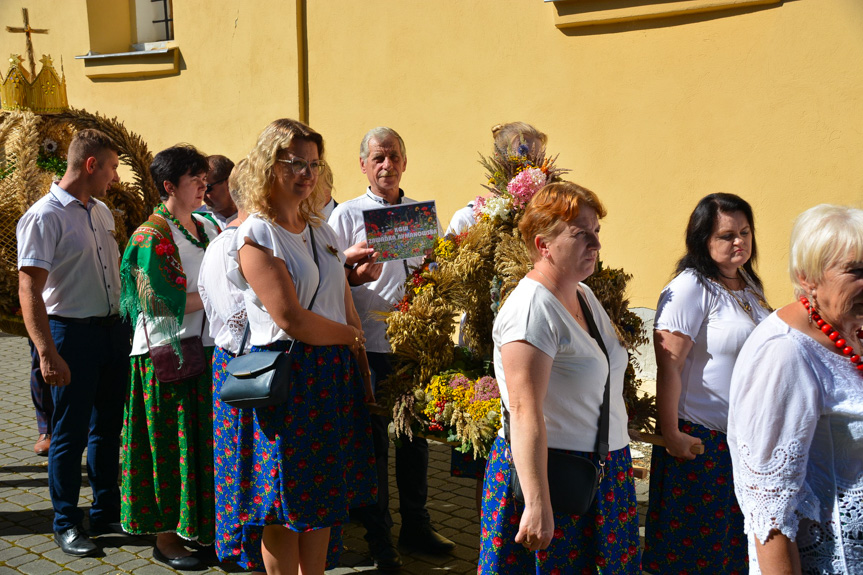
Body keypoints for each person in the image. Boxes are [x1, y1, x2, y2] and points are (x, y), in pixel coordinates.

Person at [226, 118, 376, 575]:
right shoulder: (256, 235)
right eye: (295, 163)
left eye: (313, 164)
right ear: (269, 166)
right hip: (290, 378)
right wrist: (349, 337)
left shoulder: (322, 229)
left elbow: (342, 298)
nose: (307, 173)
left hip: (332, 373)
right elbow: (290, 318)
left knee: (324, 496)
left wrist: (360, 361)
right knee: (283, 501)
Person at [478, 182, 641, 574]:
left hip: (599, 472)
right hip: (555, 479)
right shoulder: (532, 310)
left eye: (597, 232)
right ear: (543, 245)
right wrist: (536, 504)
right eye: (580, 233)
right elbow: (523, 410)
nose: (595, 244)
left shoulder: (582, 294)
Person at [329, 126, 455, 571]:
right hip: (368, 346)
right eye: (378, 157)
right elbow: (326, 282)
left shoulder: (420, 216)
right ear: (363, 164)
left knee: (414, 441)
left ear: (405, 162)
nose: (387, 165)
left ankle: (416, 525)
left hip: (412, 348)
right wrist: (349, 272)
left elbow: (437, 270)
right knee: (373, 445)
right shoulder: (345, 216)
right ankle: (379, 536)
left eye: (394, 156)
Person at [728, 204, 863, 574]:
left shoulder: (851, 326)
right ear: (808, 278)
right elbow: (768, 510)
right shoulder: (784, 353)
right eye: (856, 272)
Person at [642, 193, 771, 575]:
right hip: (700, 444)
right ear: (702, 239)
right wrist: (672, 435)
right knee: (695, 556)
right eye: (727, 235)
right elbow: (669, 368)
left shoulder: (747, 282)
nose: (740, 242)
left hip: (742, 444)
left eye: (745, 232)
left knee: (733, 552)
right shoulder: (689, 288)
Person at [17, 128, 129, 557]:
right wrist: (47, 352)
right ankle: (66, 521)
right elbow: (30, 289)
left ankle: (105, 510)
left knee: (107, 428)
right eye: (112, 167)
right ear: (90, 165)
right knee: (69, 433)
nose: (115, 177)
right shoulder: (44, 216)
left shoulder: (100, 210)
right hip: (70, 334)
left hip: (110, 332)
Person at [119, 144, 219, 570]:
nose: (203, 185)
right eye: (194, 179)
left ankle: (200, 530)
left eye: (204, 178)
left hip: (209, 350)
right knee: (168, 448)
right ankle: (166, 540)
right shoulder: (151, 234)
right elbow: (159, 300)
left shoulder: (208, 224)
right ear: (168, 186)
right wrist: (218, 296)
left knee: (202, 447)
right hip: (167, 356)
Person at [445, 122, 547, 237]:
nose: (532, 169)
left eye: (538, 162)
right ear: (499, 158)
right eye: (525, 158)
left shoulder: (548, 214)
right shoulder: (466, 219)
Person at [199, 154, 237, 228]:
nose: (202, 196)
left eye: (207, 188)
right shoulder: (197, 220)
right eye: (200, 189)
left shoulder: (256, 215)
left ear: (229, 183)